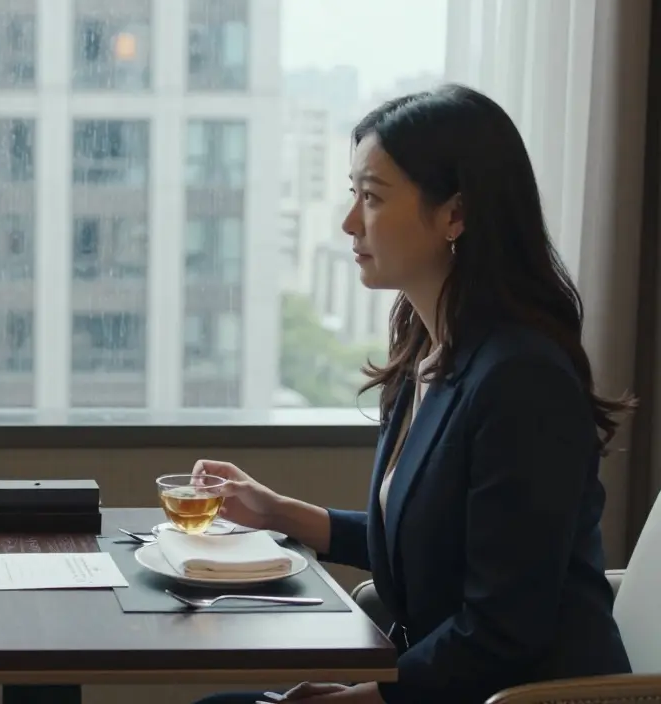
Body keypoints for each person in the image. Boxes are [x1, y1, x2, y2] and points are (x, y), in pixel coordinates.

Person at [193, 84, 634, 704]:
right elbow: (426, 544)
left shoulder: (521, 381)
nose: (350, 223)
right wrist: (278, 514)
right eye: (354, 195)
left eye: (371, 198)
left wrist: (357, 700)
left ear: (455, 214)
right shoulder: (427, 355)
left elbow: (503, 634)